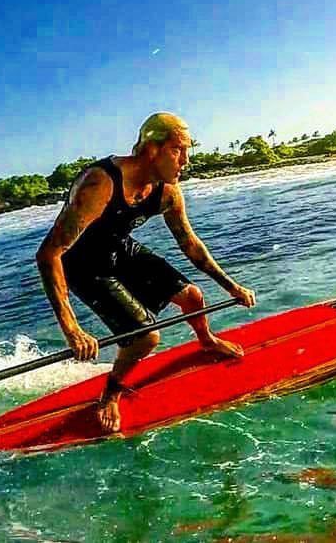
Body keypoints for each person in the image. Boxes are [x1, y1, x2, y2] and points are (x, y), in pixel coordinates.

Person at [36, 112, 256, 432]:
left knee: (193, 296)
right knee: (146, 338)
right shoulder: (100, 185)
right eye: (178, 150)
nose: (186, 160)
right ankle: (111, 393)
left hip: (118, 250)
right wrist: (72, 329)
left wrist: (230, 286)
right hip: (84, 266)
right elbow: (49, 253)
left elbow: (190, 244)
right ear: (152, 149)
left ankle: (206, 340)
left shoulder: (167, 191)